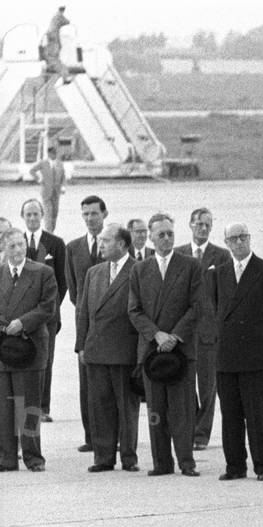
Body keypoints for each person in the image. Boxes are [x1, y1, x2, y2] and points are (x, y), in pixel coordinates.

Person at [213, 223, 263, 481]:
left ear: (249, 239)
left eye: (242, 237)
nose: (238, 243)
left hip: (258, 357)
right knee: (231, 416)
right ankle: (235, 466)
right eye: (232, 239)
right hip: (227, 357)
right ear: (226, 242)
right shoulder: (218, 274)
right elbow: (213, 312)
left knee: (258, 415)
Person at [127, 213, 203, 477]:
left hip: (181, 349)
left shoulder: (190, 266)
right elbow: (134, 310)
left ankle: (186, 461)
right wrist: (156, 335)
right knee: (156, 409)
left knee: (181, 408)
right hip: (152, 351)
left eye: (170, 233)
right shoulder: (140, 269)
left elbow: (197, 306)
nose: (167, 238)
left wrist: (174, 336)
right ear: (150, 237)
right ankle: (162, 462)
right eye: (161, 234)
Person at [74, 223, 139, 473]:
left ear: (122, 244)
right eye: (100, 240)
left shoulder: (137, 270)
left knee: (126, 407)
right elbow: (84, 312)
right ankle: (103, 456)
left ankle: (129, 456)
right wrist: (81, 345)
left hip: (124, 350)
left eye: (106, 240)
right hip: (96, 350)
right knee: (100, 406)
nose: (100, 244)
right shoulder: (95, 272)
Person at [173, 208, 231, 452]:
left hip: (209, 330)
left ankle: (202, 434)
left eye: (207, 224)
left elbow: (227, 293)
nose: (202, 228)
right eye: (198, 223)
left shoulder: (221, 255)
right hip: (184, 330)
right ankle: (188, 427)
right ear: (190, 224)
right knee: (186, 383)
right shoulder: (178, 254)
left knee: (207, 385)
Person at [0, 229, 58, 472]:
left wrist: (21, 323)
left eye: (20, 245)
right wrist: (5, 325)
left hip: (30, 347)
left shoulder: (42, 272)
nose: (17, 250)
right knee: (4, 408)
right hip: (4, 348)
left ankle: (33, 457)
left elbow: (47, 308)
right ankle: (6, 458)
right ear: (4, 248)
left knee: (29, 407)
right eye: (12, 246)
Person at [65, 195, 108, 452]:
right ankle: (91, 436)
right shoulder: (73, 248)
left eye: (94, 213)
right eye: (86, 214)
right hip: (86, 325)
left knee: (110, 384)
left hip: (112, 324)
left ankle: (112, 437)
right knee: (87, 382)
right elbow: (74, 292)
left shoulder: (114, 244)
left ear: (104, 214)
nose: (90, 219)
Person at [21, 198, 66, 422]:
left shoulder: (55, 243)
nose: (32, 218)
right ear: (23, 217)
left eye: (35, 214)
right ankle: (24, 407)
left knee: (45, 360)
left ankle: (43, 407)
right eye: (28, 215)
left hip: (47, 313)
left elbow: (62, 280)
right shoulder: (16, 241)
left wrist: (51, 306)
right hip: (20, 314)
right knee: (22, 358)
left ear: (42, 216)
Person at [29, 147, 65, 232]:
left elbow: (63, 176)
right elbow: (32, 170)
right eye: (52, 153)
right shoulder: (43, 163)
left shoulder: (59, 164)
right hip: (46, 192)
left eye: (55, 153)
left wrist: (63, 186)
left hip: (56, 192)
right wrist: (39, 179)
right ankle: (49, 232)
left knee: (55, 213)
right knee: (48, 212)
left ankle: (51, 230)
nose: (54, 155)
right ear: (49, 154)